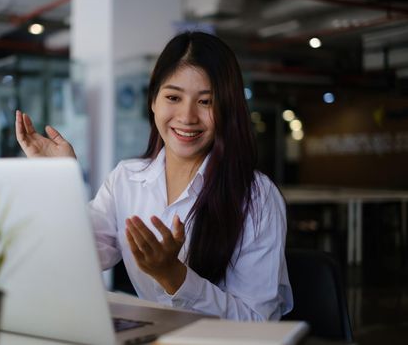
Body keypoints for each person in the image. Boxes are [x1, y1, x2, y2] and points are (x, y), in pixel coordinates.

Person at [15, 31, 293, 321]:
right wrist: (61, 183)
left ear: (228, 109)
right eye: (173, 97)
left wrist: (174, 276)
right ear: (153, 101)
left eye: (206, 102)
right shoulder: (126, 179)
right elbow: (78, 256)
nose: (187, 117)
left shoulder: (257, 197)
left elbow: (258, 323)